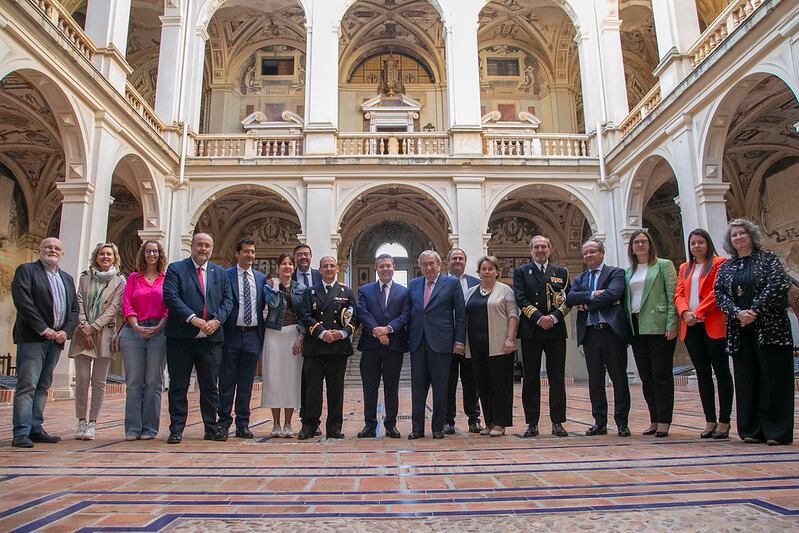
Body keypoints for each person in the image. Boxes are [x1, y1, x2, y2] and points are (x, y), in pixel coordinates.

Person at [715, 219, 794, 445]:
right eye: (734, 235)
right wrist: (738, 312)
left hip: (770, 327)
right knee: (747, 378)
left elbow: (777, 284)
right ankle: (751, 430)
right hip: (740, 329)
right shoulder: (727, 267)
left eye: (742, 233)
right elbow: (719, 293)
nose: (738, 237)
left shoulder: (767, 259)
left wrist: (754, 310)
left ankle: (776, 432)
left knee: (773, 378)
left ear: (751, 236)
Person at [162, 232, 234, 444]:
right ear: (192, 246)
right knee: (178, 385)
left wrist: (216, 321)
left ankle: (211, 428)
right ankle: (176, 429)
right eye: (200, 245)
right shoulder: (176, 269)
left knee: (210, 386)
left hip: (211, 339)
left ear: (212, 249)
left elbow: (228, 301)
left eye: (207, 246)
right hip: (181, 337)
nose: (203, 249)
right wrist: (192, 319)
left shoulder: (220, 273)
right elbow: (171, 297)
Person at [11, 237, 78, 448]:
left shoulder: (66, 278)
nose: (52, 250)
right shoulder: (27, 271)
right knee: (27, 386)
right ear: (40, 250)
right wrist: (44, 329)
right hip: (33, 338)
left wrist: (65, 332)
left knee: (42, 386)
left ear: (62, 253)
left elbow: (74, 309)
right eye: (48, 247)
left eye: (57, 248)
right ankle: (21, 432)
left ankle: (36, 428)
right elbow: (23, 302)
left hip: (55, 340)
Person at [566, 240, 632, 437]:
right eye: (585, 253)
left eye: (592, 252)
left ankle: (622, 422)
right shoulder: (580, 278)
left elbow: (614, 294)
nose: (588, 256)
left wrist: (587, 303)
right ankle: (599, 422)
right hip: (590, 334)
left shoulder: (615, 273)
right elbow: (570, 298)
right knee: (595, 380)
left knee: (619, 378)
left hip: (612, 332)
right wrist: (594, 294)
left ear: (602, 253)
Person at [674, 229, 731, 439]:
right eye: (693, 243)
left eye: (700, 242)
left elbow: (718, 291)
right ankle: (710, 420)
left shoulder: (719, 263)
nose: (696, 246)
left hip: (712, 323)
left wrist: (697, 313)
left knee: (722, 372)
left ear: (707, 243)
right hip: (691, 326)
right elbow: (679, 293)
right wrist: (684, 312)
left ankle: (724, 421)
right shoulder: (685, 268)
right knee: (703, 374)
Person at [513, 235, 570, 438]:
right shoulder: (521, 272)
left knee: (557, 378)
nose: (540, 250)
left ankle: (558, 422)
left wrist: (553, 318)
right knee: (530, 379)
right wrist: (538, 318)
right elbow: (519, 297)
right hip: (531, 331)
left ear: (550, 249)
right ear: (531, 250)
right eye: (536, 247)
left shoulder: (561, 272)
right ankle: (532, 423)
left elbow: (567, 299)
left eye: (543, 246)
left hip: (555, 330)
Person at [68, 243, 126, 440]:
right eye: (102, 254)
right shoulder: (85, 278)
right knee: (82, 379)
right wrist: (84, 326)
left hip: (104, 334)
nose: (105, 257)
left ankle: (93, 423)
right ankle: (81, 420)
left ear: (114, 258)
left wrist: (93, 327)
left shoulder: (120, 282)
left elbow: (114, 309)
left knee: (99, 382)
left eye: (109, 254)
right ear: (96, 256)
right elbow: (79, 303)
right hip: (82, 333)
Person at [297, 256, 359, 440]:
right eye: (325, 266)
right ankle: (309, 425)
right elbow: (305, 316)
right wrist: (322, 333)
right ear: (320, 270)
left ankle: (334, 427)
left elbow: (354, 318)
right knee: (311, 389)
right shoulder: (311, 291)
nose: (329, 269)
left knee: (336, 389)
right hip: (315, 346)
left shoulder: (346, 292)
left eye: (332, 266)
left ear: (338, 269)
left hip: (338, 347)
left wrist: (342, 333)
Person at [407, 250, 466, 440]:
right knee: (418, 388)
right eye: (424, 264)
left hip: (442, 343)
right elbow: (409, 313)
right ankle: (417, 428)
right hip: (418, 342)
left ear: (439, 265)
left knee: (441, 388)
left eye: (432, 263)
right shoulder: (413, 285)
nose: (428, 267)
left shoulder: (451, 283)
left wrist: (459, 340)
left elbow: (461, 315)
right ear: (420, 266)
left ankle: (438, 427)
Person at [624, 229, 678, 438]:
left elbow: (672, 295)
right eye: (636, 242)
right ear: (632, 247)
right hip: (637, 327)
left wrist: (672, 324)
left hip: (658, 326)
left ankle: (665, 420)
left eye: (643, 241)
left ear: (650, 244)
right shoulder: (629, 271)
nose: (640, 245)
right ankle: (654, 418)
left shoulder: (663, 265)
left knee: (662, 375)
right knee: (646, 376)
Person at [356, 254, 410, 439]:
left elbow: (405, 316)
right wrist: (378, 332)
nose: (385, 269)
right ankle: (369, 425)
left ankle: (391, 425)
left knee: (391, 387)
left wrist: (388, 329)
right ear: (376, 268)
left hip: (394, 347)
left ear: (394, 267)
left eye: (388, 265)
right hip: (370, 347)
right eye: (382, 266)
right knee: (369, 388)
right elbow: (362, 312)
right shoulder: (365, 290)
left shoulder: (404, 292)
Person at [119, 240, 168, 441]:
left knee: (154, 381)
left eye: (155, 251)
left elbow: (169, 305)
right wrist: (136, 325)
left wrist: (159, 326)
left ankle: (150, 428)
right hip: (133, 330)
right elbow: (126, 303)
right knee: (133, 382)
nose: (151, 254)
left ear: (160, 254)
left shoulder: (166, 278)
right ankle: (132, 427)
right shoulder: (133, 278)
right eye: (148, 251)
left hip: (159, 330)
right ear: (143, 253)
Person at [464, 256, 518, 437]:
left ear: (497, 271)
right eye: (483, 269)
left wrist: (510, 338)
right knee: (482, 385)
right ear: (478, 272)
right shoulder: (471, 291)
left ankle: (501, 423)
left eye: (490, 269)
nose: (486, 272)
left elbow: (513, 315)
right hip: (475, 346)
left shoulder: (505, 290)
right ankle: (489, 422)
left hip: (499, 345)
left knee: (499, 385)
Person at [219, 239, 267, 439]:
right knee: (227, 382)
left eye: (253, 252)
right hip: (231, 334)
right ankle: (223, 423)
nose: (250, 255)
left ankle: (242, 424)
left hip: (253, 335)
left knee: (247, 382)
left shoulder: (261, 278)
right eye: (246, 251)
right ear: (237, 253)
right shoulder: (225, 276)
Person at [262, 252, 307, 438]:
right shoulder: (269, 286)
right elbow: (272, 304)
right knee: (274, 379)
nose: (287, 267)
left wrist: (301, 336)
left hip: (293, 334)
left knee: (291, 379)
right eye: (284, 264)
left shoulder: (301, 288)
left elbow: (304, 314)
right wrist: (274, 286)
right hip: (273, 334)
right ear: (278, 267)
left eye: (290, 264)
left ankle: (288, 423)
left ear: (294, 267)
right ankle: (275, 423)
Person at [444, 248, 482, 435]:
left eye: (460, 258)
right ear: (447, 261)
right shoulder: (441, 283)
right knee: (447, 383)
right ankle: (447, 420)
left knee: (471, 382)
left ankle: (474, 419)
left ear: (465, 262)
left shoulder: (477, 283)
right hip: (446, 342)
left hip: (470, 341)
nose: (457, 261)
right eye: (454, 258)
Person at [291, 243, 322, 436]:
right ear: (295, 258)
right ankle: (301, 420)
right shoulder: (288, 277)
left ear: (311, 256)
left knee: (312, 382)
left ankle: (312, 421)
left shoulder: (321, 275)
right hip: (291, 333)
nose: (303, 257)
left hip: (317, 336)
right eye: (299, 254)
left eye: (306, 254)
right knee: (297, 380)